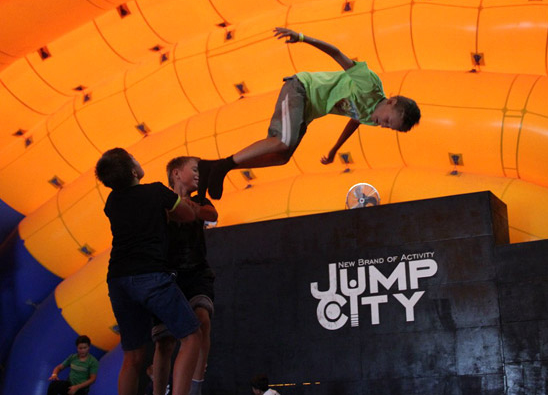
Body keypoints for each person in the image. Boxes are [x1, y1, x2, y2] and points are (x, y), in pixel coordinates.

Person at [198, 27, 421, 200]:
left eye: (387, 127)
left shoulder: (372, 118)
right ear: (391, 101)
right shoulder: (370, 85)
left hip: (307, 112)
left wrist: (334, 149)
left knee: (281, 157)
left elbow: (355, 121)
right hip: (301, 89)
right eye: (388, 120)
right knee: (283, 141)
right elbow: (336, 53)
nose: (382, 125)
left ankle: (213, 167)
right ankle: (223, 165)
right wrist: (302, 38)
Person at [95, 148, 202, 395]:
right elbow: (187, 215)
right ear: (134, 171)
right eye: (135, 158)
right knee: (191, 336)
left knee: (133, 356)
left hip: (118, 279)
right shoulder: (156, 191)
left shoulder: (112, 202)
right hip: (151, 275)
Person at [152, 156, 218, 395]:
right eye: (194, 169)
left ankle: (195, 386)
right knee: (165, 342)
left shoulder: (200, 201)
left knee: (203, 320)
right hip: (168, 276)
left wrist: (194, 208)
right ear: (176, 174)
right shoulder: (161, 202)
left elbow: (212, 214)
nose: (199, 174)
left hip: (197, 272)